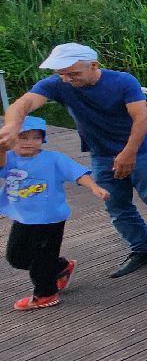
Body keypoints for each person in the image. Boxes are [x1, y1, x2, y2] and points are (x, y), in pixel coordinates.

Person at [0, 43, 147, 277]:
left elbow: (141, 118)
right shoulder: (59, 83)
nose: (67, 79)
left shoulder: (123, 81)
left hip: (139, 152)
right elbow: (23, 104)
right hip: (101, 154)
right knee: (116, 206)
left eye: (73, 73)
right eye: (61, 74)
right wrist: (11, 126)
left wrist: (128, 152)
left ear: (94, 66)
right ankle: (142, 249)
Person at [2, 116, 110, 310]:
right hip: (23, 217)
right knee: (16, 257)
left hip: (49, 219)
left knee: (42, 259)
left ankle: (45, 294)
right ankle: (60, 267)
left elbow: (76, 173)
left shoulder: (53, 159)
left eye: (35, 137)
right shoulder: (10, 158)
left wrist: (94, 187)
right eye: (22, 137)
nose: (28, 142)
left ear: (42, 140)